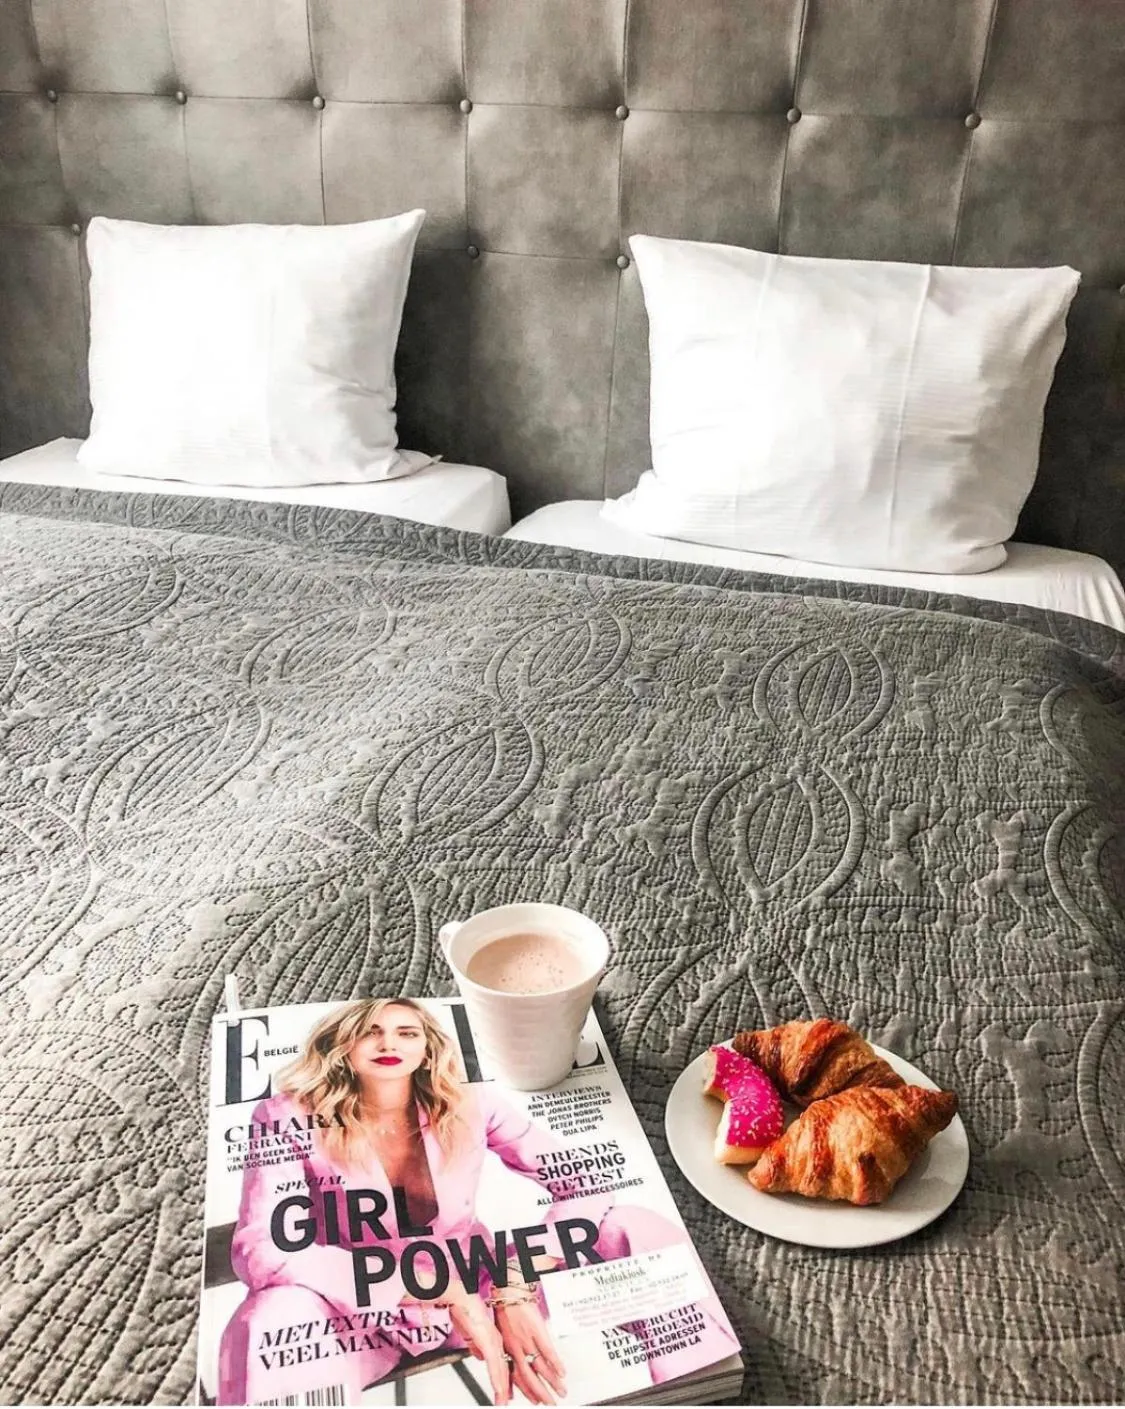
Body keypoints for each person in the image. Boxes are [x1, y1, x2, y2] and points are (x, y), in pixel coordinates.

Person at [217, 998, 736, 1405]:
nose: (388, 1042)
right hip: (369, 1316)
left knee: (633, 1226)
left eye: (406, 1032)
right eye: (370, 1031)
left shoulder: (471, 1103)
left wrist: (514, 1282)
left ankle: (697, 1384)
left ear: (427, 1047)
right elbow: (261, 1247)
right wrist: (427, 1288)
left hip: (486, 1286)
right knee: (273, 1316)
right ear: (343, 1045)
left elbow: (585, 1179)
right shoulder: (285, 1115)